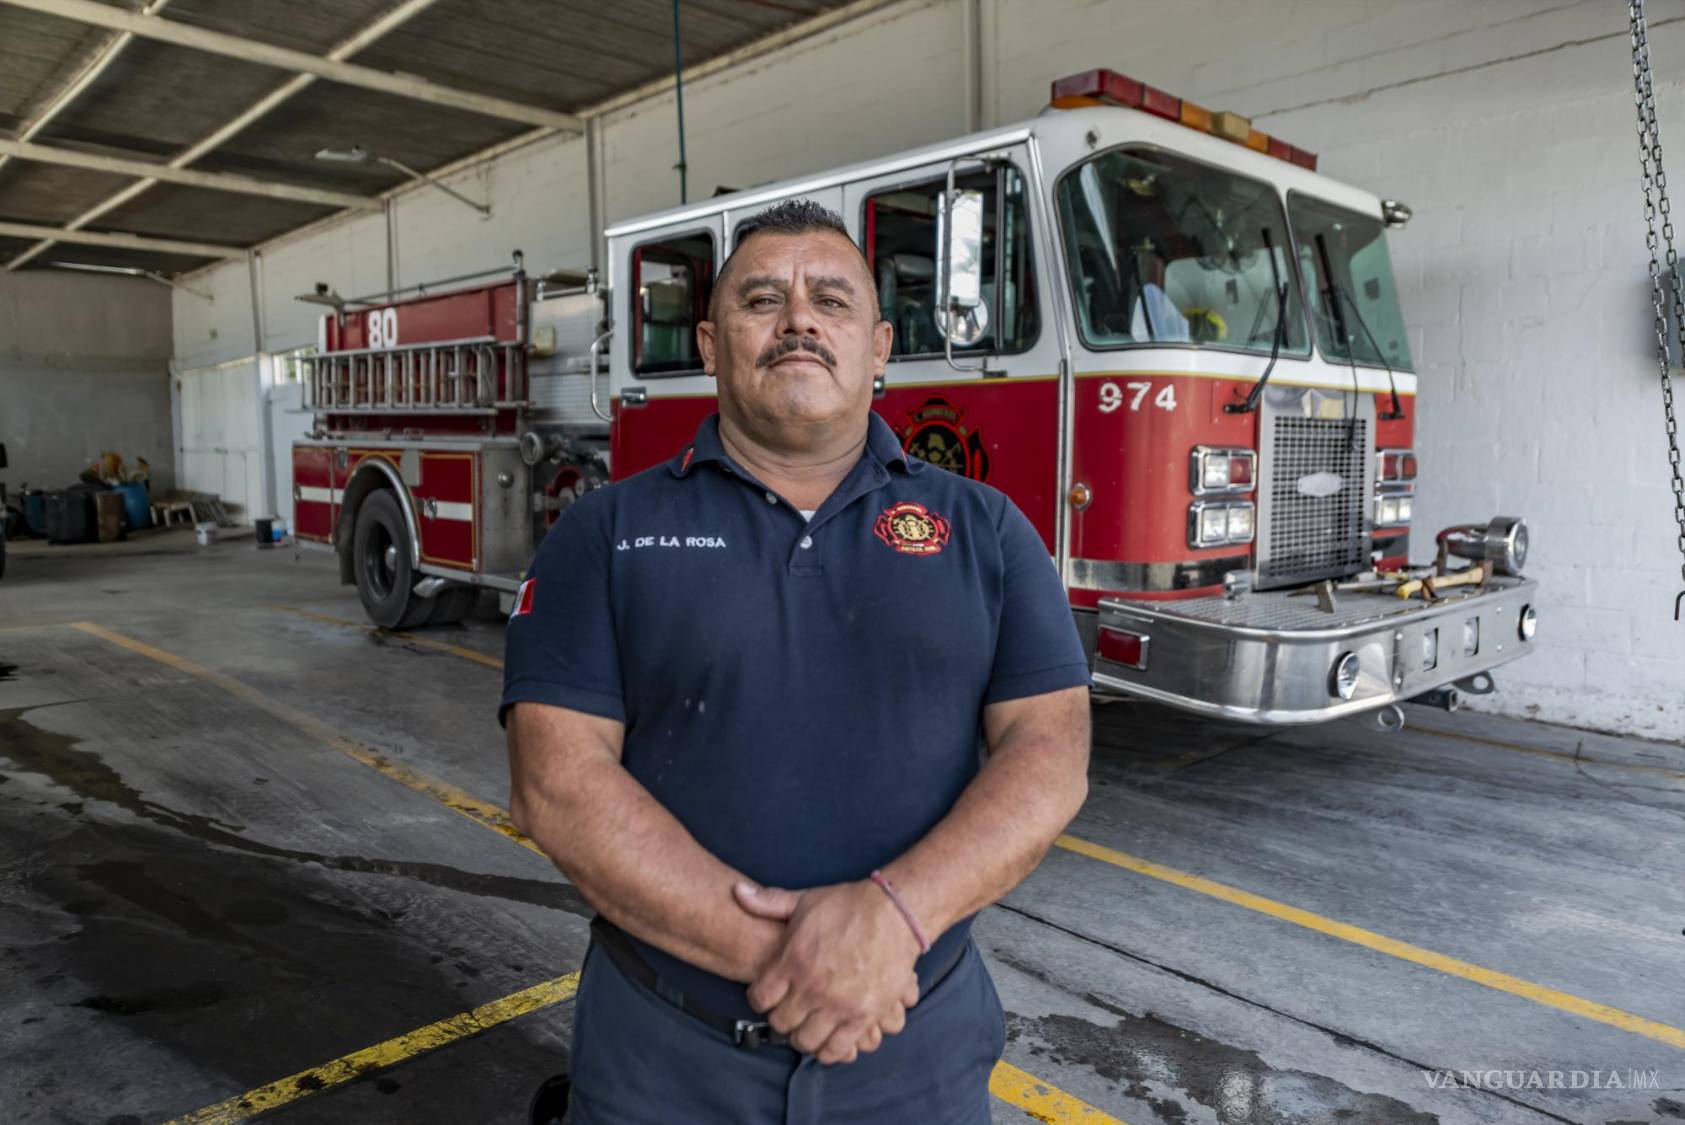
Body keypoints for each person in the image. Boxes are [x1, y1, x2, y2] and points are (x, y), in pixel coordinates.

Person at [503, 199, 1092, 1124]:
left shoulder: (989, 531)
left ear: (879, 345)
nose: (799, 321)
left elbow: (1048, 753)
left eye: (830, 300)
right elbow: (556, 783)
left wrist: (893, 919)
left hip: (915, 1059)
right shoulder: (601, 533)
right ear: (708, 343)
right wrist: (807, 963)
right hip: (664, 1061)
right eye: (761, 300)